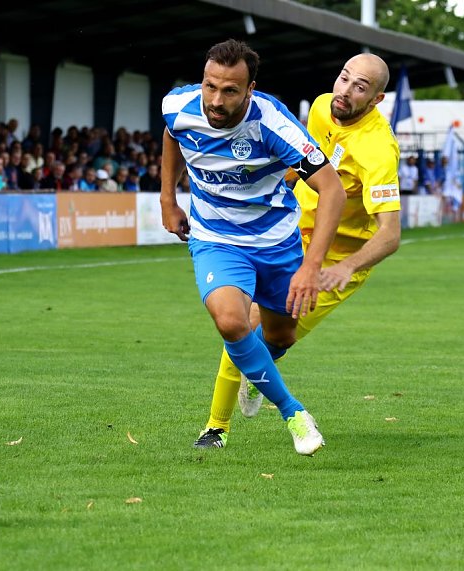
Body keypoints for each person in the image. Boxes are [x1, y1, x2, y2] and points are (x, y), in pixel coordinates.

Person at [199, 52, 402, 444]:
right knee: (240, 324)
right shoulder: (323, 108)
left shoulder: (379, 150)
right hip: (287, 239)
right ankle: (216, 428)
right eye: (343, 77)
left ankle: (257, 377)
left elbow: (390, 233)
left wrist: (346, 268)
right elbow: (302, 164)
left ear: (376, 99)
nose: (344, 91)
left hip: (335, 264)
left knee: (272, 338)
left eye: (360, 87)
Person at [160, 39, 346, 456]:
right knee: (230, 321)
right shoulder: (178, 105)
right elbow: (172, 135)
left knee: (282, 335)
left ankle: (255, 370)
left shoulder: (274, 125)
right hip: (217, 239)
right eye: (210, 86)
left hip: (276, 242)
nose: (216, 100)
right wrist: (167, 199)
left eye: (230, 91)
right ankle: (295, 414)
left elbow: (332, 191)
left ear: (250, 89)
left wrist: (311, 267)